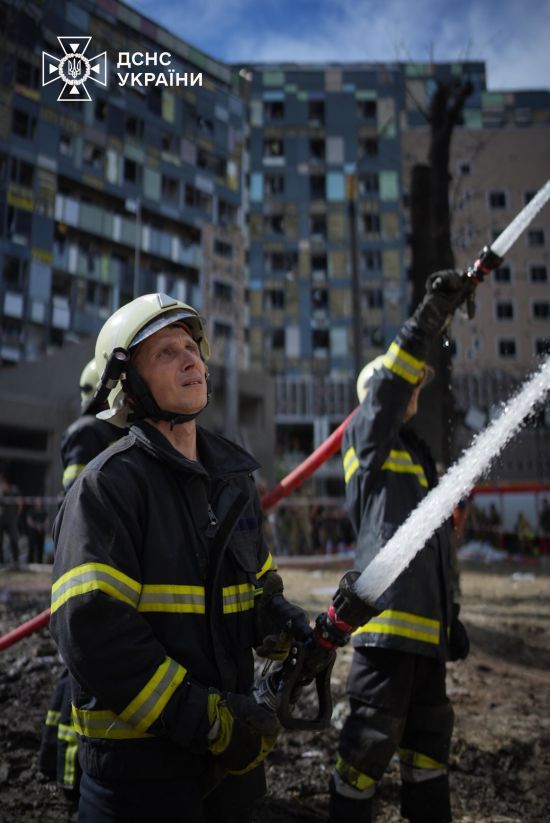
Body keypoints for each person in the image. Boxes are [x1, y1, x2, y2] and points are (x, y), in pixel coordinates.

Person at [49, 293, 310, 823]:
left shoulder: (232, 482)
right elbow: (94, 633)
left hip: (232, 776)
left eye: (192, 347)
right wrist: (208, 720)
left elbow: (255, 583)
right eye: (167, 352)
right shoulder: (107, 487)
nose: (192, 359)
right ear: (129, 383)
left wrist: (282, 624)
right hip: (139, 779)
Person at [329, 271, 472, 823]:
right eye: (409, 383)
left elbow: (435, 549)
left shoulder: (416, 456)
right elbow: (389, 390)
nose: (417, 389)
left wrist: (450, 615)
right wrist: (428, 319)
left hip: (425, 640)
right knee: (365, 748)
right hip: (386, 634)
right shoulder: (369, 440)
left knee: (428, 752)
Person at [38, 358, 126, 796]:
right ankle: (71, 776)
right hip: (91, 566)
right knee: (81, 671)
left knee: (84, 671)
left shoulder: (116, 434)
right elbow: (77, 503)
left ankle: (62, 764)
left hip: (114, 567)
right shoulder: (87, 432)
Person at [0, 469, 22, 567]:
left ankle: (16, 561)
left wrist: (17, 515)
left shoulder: (14, 489)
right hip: (1, 519)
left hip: (12, 519)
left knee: (14, 539)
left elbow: (20, 503)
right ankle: (2, 561)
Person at [25, 497, 49, 564]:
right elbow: (28, 520)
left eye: (39, 501)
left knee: (40, 548)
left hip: (41, 532)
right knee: (31, 547)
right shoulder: (31, 510)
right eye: (36, 501)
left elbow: (47, 520)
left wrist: (41, 526)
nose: (38, 503)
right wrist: (36, 526)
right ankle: (30, 562)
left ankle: (40, 562)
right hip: (33, 532)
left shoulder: (43, 510)